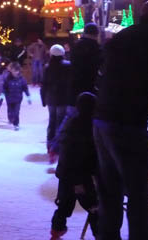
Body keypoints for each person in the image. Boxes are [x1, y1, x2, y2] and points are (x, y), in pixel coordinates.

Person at [95, 0, 148, 240]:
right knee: (140, 194)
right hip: (128, 125)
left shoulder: (121, 38)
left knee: (110, 192)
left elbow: (100, 78)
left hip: (102, 124)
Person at [51, 92, 99, 239]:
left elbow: (61, 142)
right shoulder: (90, 127)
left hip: (65, 174)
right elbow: (89, 155)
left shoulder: (71, 122)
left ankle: (56, 231)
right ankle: (100, 234)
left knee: (64, 205)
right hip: (80, 177)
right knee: (94, 207)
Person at [41, 44, 74, 163]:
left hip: (51, 99)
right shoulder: (68, 66)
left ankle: (50, 145)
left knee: (52, 121)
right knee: (60, 122)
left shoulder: (47, 67)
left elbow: (44, 84)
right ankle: (57, 147)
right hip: (63, 98)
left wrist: (43, 98)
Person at [70, 23, 102, 97]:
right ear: (96, 34)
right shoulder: (97, 48)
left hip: (76, 86)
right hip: (91, 85)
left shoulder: (76, 46)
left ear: (84, 33)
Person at [0, 62, 30, 130]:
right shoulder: (8, 79)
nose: (15, 72)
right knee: (10, 111)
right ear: (11, 70)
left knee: (16, 111)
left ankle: (16, 124)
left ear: (18, 71)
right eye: (13, 70)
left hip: (18, 99)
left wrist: (28, 96)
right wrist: (2, 94)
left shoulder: (21, 79)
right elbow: (5, 87)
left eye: (16, 71)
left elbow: (25, 88)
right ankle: (10, 118)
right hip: (9, 98)